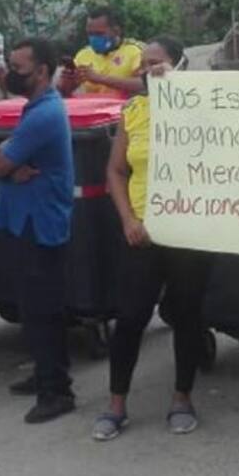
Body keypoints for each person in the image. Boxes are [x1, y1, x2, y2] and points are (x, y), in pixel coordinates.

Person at [91, 35, 213, 441]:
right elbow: (116, 172)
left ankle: (182, 396)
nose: (145, 71)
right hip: (143, 231)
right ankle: (116, 404)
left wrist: (179, 92)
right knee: (130, 317)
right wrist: (127, 219)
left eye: (156, 63)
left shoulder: (203, 107)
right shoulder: (133, 111)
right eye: (141, 64)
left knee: (187, 314)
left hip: (189, 231)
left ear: (179, 65)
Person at [0, 38, 77, 423]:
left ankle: (54, 391)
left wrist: (5, 165)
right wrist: (6, 165)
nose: (10, 74)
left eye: (18, 68)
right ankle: (47, 371)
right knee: (37, 309)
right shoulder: (37, 108)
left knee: (43, 311)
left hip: (40, 226)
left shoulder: (44, 115)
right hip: (29, 223)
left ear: (41, 71)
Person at [59, 6, 143, 97]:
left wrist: (99, 78)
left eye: (99, 34)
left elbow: (143, 85)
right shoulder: (84, 54)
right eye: (90, 34)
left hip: (124, 109)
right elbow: (65, 93)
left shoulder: (135, 52)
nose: (93, 39)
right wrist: (67, 81)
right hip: (92, 108)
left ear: (116, 31)